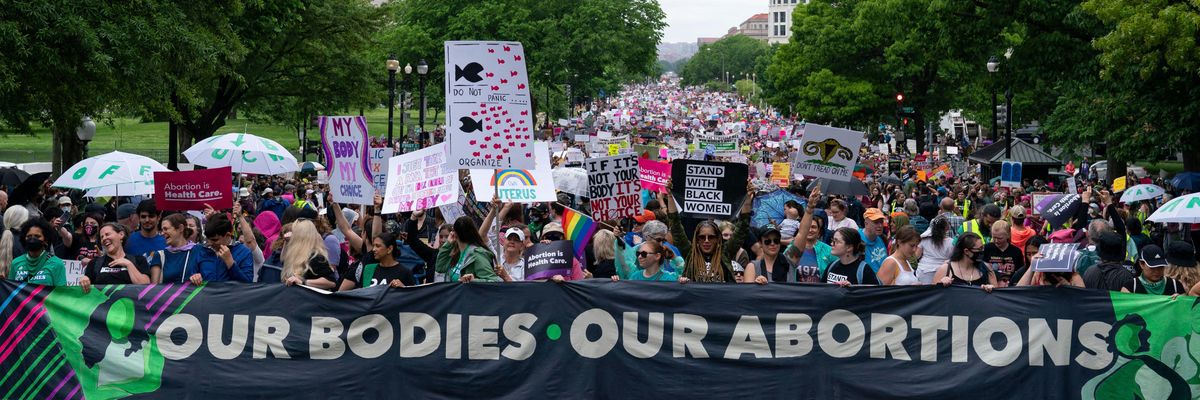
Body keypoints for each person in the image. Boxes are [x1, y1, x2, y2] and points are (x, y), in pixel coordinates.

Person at [665, 182, 753, 283]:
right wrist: (671, 196)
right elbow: (676, 229)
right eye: (702, 237)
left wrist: (747, 197)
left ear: (717, 239)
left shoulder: (725, 253)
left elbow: (742, 228)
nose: (706, 241)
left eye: (711, 237)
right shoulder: (690, 253)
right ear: (697, 239)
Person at [79, 223, 152, 294]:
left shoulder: (138, 260)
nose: (104, 238)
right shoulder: (94, 263)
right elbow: (86, 288)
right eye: (102, 237)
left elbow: (145, 287)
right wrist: (84, 280)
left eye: (107, 234)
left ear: (121, 235)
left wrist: (129, 264)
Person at [788, 188, 836, 283]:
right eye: (808, 227)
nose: (809, 230)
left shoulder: (828, 251)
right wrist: (809, 208)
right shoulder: (793, 247)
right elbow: (802, 233)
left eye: (813, 227)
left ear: (819, 231)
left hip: (819, 295)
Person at [192, 213, 255, 284]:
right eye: (207, 239)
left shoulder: (244, 252)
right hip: (206, 294)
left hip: (232, 294)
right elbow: (192, 275)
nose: (209, 243)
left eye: (215, 240)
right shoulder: (201, 250)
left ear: (228, 235)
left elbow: (247, 284)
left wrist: (230, 263)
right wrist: (195, 277)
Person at [435, 216, 501, 283]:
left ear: (454, 233)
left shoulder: (477, 254)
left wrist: (473, 281)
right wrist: (448, 244)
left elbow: (495, 281)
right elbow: (440, 267)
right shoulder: (454, 252)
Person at [146, 214, 202, 284]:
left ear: (180, 228)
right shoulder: (159, 255)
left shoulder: (200, 251)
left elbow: (210, 279)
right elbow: (153, 289)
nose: (163, 233)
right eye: (162, 230)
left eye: (166, 229)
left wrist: (200, 277)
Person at [10, 218, 67, 285]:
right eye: (29, 236)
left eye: (37, 236)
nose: (32, 239)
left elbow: (61, 293)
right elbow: (10, 291)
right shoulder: (15, 263)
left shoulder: (57, 264)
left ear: (46, 240)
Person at [1121, 245, 1188, 295]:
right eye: (1152, 267)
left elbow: (1185, 310)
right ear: (1141, 264)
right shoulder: (1130, 287)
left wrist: (1180, 301)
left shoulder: (1175, 285)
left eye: (1160, 267)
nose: (1157, 271)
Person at [981, 220, 1025, 287]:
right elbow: (981, 269)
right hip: (990, 287)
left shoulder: (1016, 251)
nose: (996, 241)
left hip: (1009, 288)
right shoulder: (987, 248)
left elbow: (1020, 273)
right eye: (994, 237)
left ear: (1008, 235)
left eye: (1000, 238)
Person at [614, 239, 678, 281]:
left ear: (657, 256)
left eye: (644, 254)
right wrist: (616, 283)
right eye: (638, 253)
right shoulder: (635, 276)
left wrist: (683, 282)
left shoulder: (668, 279)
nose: (639, 257)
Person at [859, 208, 889, 273]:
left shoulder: (882, 238)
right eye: (876, 222)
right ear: (866, 224)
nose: (880, 225)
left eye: (881, 222)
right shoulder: (857, 239)